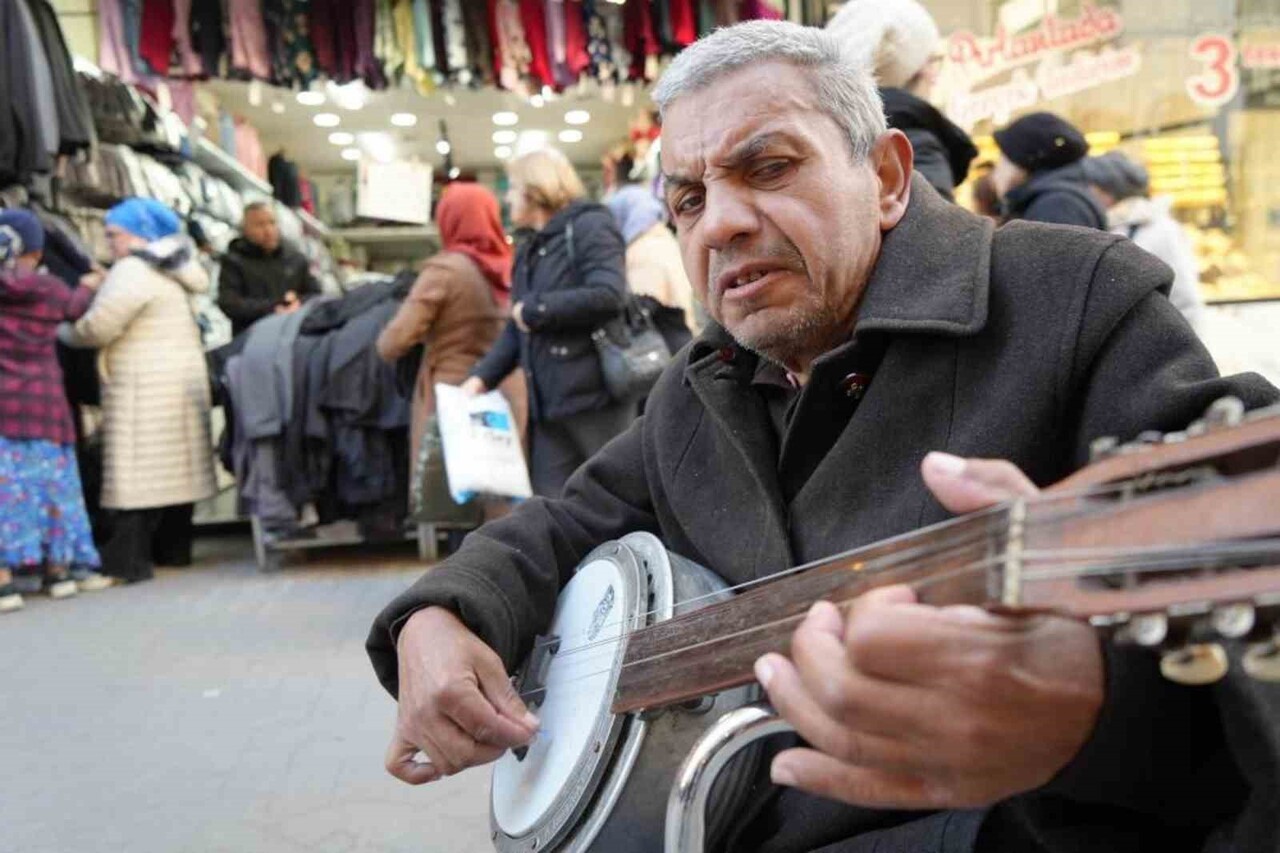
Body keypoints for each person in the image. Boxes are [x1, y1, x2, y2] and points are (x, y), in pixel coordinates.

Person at [368, 21, 1279, 853]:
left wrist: (1098, 714)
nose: (717, 222)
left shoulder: (1076, 303)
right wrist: (443, 610)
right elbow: (569, 520)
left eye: (767, 168)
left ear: (885, 178)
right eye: (686, 199)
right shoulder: (702, 385)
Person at [459, 148, 631, 499]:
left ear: (534, 190)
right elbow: (516, 325)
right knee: (550, 511)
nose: (506, 198)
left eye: (511, 188)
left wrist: (536, 309)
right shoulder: (527, 249)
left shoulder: (590, 224)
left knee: (619, 503)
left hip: (594, 401)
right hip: (548, 406)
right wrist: (480, 378)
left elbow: (609, 294)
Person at [62, 199, 216, 583]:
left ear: (137, 233)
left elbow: (99, 326)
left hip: (142, 387)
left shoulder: (132, 270)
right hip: (178, 383)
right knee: (176, 474)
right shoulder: (172, 267)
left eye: (114, 234)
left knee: (134, 479)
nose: (109, 242)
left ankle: (127, 563)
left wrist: (63, 333)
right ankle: (174, 552)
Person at [375, 182, 529, 518]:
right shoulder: (514, 265)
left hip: (455, 397)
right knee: (504, 504)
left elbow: (393, 342)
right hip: (511, 394)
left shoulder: (445, 270)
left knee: (455, 504)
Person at [0, 210, 107, 612]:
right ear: (35, 249)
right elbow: (79, 304)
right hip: (45, 404)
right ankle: (59, 572)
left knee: (5, 494)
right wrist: (90, 278)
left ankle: (5, 583)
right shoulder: (49, 290)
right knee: (54, 488)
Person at [826, 0, 977, 200]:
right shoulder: (916, 146)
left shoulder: (828, 138)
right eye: (932, 60)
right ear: (909, 70)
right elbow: (938, 231)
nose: (934, 76)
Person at [1082, 149, 1208, 334]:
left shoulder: (1159, 229)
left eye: (1090, 187)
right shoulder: (1106, 224)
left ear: (1107, 191)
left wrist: (1182, 355)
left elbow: (1185, 299)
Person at [216, 201, 321, 336]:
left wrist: (298, 304)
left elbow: (316, 294)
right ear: (245, 229)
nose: (268, 230)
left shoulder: (295, 259)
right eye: (260, 225)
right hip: (250, 340)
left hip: (292, 337)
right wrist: (274, 307)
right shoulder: (234, 261)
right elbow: (229, 303)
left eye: (272, 222)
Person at [991, 111, 1107, 229]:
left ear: (1022, 161)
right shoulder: (1058, 199)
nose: (997, 170)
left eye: (1003, 158)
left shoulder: (1055, 206)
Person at [606, 184, 699, 331]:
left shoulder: (642, 250)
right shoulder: (664, 239)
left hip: (663, 342)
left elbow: (642, 305)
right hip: (681, 331)